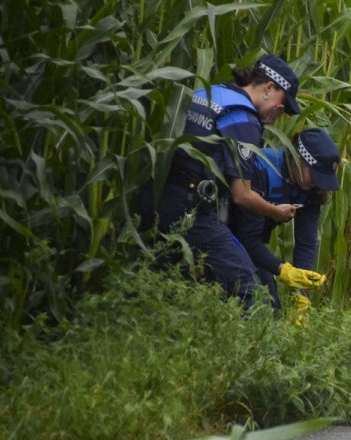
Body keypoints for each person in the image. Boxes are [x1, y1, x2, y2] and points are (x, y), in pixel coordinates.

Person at [137, 54, 323, 304]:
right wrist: (273, 212)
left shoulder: (211, 93)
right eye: (282, 103)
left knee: (163, 285)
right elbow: (242, 195)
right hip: (193, 212)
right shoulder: (244, 118)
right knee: (254, 294)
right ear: (268, 88)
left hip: (156, 196)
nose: (281, 112)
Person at [228, 128, 340, 312]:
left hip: (253, 244)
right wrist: (283, 270)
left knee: (273, 309)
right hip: (231, 237)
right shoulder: (261, 169)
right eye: (315, 175)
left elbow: (306, 244)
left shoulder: (311, 189)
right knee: (257, 306)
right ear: (298, 160)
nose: (317, 184)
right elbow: (246, 237)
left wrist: (301, 296)